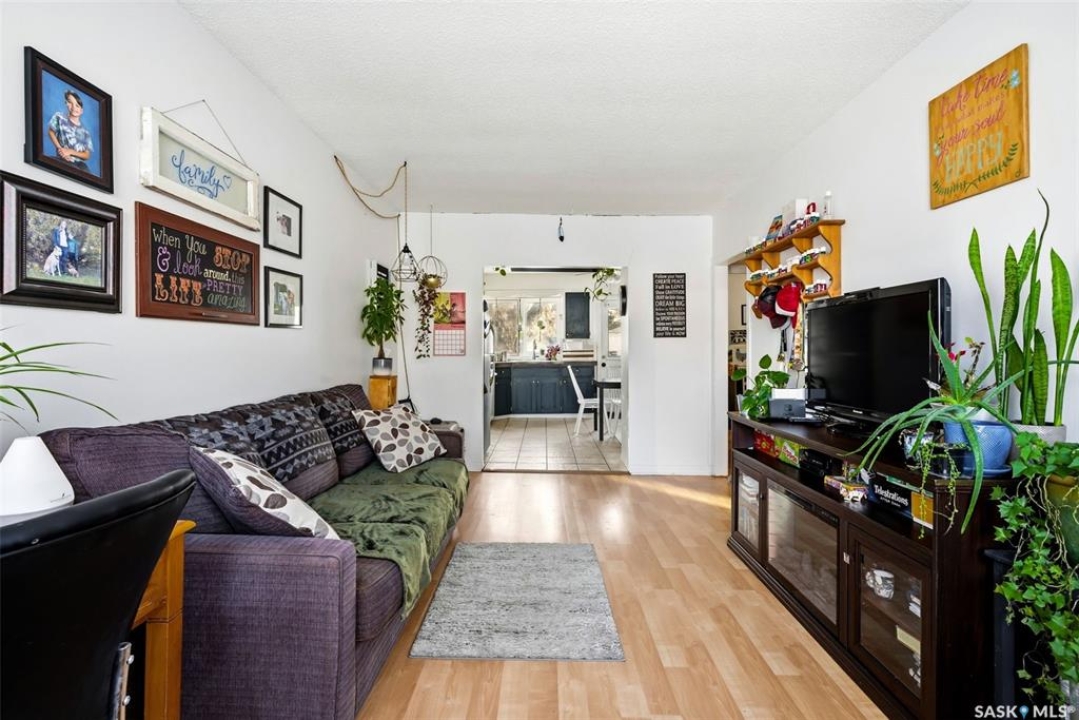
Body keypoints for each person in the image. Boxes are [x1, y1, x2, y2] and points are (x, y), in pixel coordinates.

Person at [47, 90, 94, 171]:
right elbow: (51, 132)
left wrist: (70, 151)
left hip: (80, 163)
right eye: (70, 102)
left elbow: (87, 155)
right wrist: (61, 150)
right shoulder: (59, 117)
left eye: (77, 105)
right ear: (66, 103)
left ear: (81, 110)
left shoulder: (85, 132)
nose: (74, 107)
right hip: (63, 158)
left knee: (86, 172)